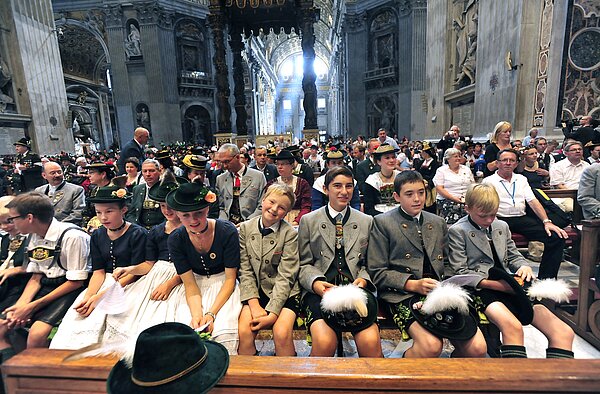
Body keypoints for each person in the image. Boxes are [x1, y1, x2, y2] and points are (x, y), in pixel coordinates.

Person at [447, 183, 574, 358]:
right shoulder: (458, 230)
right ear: (467, 209)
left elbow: (513, 256)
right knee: (512, 327)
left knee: (563, 332)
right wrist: (501, 286)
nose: (490, 220)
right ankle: (513, 383)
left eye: (493, 214)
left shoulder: (501, 226)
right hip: (480, 288)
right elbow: (460, 272)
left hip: (509, 283)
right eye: (483, 216)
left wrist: (524, 266)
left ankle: (556, 384)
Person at [367, 171, 486, 358]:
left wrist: (449, 283)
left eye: (421, 192)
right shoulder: (383, 223)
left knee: (477, 348)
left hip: (439, 290)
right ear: (397, 196)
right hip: (401, 293)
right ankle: (403, 376)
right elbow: (376, 271)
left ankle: (452, 381)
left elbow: (447, 262)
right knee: (431, 346)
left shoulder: (437, 222)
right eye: (409, 194)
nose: (417, 199)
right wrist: (411, 284)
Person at [50, 185, 147, 349]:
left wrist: (101, 296)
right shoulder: (97, 234)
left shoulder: (138, 233)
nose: (103, 217)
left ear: (123, 210)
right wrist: (89, 296)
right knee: (81, 316)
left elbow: (136, 272)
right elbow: (98, 272)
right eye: (98, 212)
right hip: (103, 281)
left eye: (109, 211)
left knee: (119, 320)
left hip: (130, 283)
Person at [299, 166, 382, 357]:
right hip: (320, 290)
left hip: (356, 289)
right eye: (337, 186)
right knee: (324, 342)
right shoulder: (309, 221)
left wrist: (363, 280)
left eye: (349, 186)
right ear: (326, 189)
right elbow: (303, 263)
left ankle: (369, 386)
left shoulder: (366, 221)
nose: (344, 192)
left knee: (370, 342)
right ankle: (321, 385)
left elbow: (372, 263)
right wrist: (316, 283)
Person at [103, 173, 188, 344]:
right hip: (155, 274)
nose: (167, 211)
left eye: (171, 206)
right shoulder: (156, 231)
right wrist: (130, 269)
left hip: (183, 276)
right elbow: (149, 264)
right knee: (131, 313)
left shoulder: (191, 229)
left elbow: (192, 264)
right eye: (163, 206)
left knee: (169, 314)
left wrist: (169, 284)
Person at [0, 193, 89, 351]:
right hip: (45, 285)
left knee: (36, 336)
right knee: (3, 325)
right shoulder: (34, 235)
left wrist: (31, 307)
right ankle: (17, 372)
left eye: (12, 219)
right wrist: (21, 305)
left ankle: (37, 371)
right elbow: (36, 275)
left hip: (70, 289)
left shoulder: (73, 236)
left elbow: (76, 282)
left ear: (29, 218)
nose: (10, 223)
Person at [167, 182, 242, 354]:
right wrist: (197, 315)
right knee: (188, 330)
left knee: (223, 332)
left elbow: (230, 279)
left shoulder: (226, 231)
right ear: (177, 214)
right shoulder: (176, 239)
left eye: (198, 213)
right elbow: (189, 284)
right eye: (185, 215)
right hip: (195, 286)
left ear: (207, 209)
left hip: (224, 285)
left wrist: (211, 314)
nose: (193, 220)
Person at [482, 149, 568, 279]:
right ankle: (502, 280)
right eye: (504, 160)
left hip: (521, 218)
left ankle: (546, 280)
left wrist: (547, 221)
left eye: (512, 160)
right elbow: (486, 205)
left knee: (556, 237)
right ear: (498, 163)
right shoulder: (489, 181)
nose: (508, 163)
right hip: (498, 219)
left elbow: (533, 201)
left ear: (516, 164)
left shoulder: (521, 179)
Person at [238, 183, 300, 356]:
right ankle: (249, 377)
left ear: (287, 213)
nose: (274, 209)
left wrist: (272, 313)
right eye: (271, 202)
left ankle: (286, 376)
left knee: (281, 333)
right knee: (245, 331)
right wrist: (254, 304)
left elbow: (286, 276)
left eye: (281, 208)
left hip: (284, 293)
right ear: (263, 200)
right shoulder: (245, 228)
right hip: (255, 291)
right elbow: (245, 270)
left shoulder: (290, 234)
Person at [216, 144, 266, 225]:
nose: (224, 166)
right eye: (222, 162)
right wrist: (225, 223)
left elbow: (262, 206)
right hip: (229, 225)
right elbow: (221, 207)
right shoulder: (220, 179)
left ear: (238, 157)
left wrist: (247, 223)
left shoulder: (258, 176)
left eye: (227, 161)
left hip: (251, 223)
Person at [266, 150, 311, 225]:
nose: (279, 167)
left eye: (283, 164)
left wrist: (297, 221)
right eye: (277, 164)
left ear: (292, 165)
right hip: (275, 219)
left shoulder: (302, 183)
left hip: (298, 220)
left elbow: (306, 206)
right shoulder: (271, 184)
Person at [34, 162, 85, 226]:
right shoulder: (39, 191)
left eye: (59, 172)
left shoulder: (76, 190)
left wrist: (57, 226)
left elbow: (77, 213)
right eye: (53, 173)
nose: (57, 175)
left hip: (65, 227)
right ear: (44, 175)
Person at [433, 148, 474, 225]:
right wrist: (454, 198)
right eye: (455, 156)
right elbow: (439, 188)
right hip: (447, 199)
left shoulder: (466, 169)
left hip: (466, 199)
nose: (458, 158)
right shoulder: (441, 170)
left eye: (459, 156)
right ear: (448, 159)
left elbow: (473, 185)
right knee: (455, 208)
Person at [363, 144, 401, 216]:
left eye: (393, 157)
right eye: (387, 158)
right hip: (378, 218)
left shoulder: (401, 177)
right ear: (379, 161)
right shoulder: (371, 180)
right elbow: (368, 209)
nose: (392, 160)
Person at [126, 159, 164, 229]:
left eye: (152, 171)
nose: (148, 174)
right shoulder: (137, 189)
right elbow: (131, 213)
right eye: (145, 171)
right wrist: (136, 227)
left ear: (160, 171)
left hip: (161, 230)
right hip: (140, 230)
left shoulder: (165, 189)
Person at [413, 142, 439, 213]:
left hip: (430, 186)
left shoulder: (435, 163)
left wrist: (428, 183)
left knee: (430, 205)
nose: (421, 154)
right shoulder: (421, 162)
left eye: (422, 152)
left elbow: (434, 175)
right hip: (420, 184)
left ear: (426, 153)